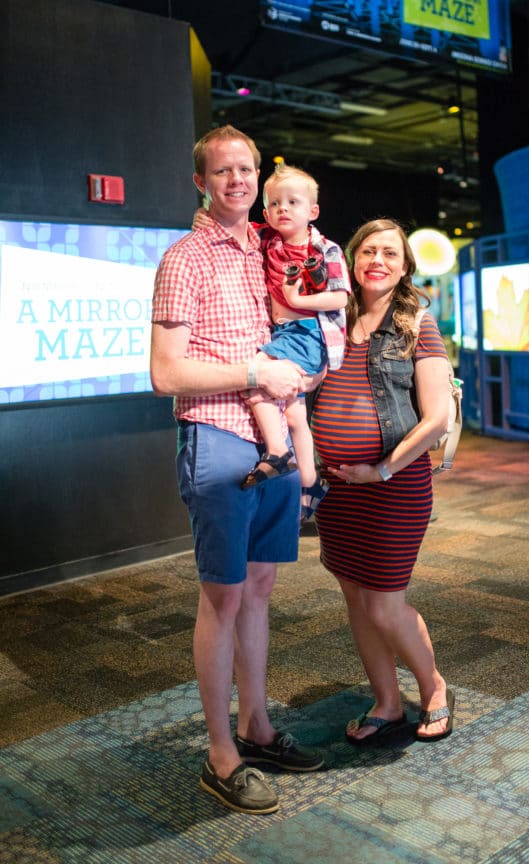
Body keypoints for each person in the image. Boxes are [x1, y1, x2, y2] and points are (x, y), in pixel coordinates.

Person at [150, 124, 324, 816]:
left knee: (258, 592)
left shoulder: (269, 248)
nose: (236, 181)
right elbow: (166, 373)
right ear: (200, 181)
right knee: (222, 600)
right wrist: (253, 370)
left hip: (276, 434)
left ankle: (256, 727)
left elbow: (315, 317)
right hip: (218, 435)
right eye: (221, 171)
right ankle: (220, 754)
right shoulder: (183, 258)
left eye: (245, 169)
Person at [311, 218, 455, 745]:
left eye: (390, 254)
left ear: (404, 267)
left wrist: (383, 467)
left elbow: (436, 419)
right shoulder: (329, 317)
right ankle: (387, 702)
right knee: (355, 597)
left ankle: (434, 687)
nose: (378, 260)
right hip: (339, 491)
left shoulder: (417, 323)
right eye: (368, 250)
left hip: (395, 485)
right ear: (351, 260)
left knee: (383, 603)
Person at [237, 164, 351, 522]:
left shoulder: (324, 249)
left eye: (293, 202)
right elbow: (229, 222)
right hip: (283, 334)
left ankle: (276, 451)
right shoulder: (267, 239)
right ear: (266, 212)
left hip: (307, 333)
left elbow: (340, 298)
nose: (283, 209)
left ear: (312, 211)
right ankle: (310, 480)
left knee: (255, 377)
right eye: (275, 203)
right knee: (294, 413)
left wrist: (298, 302)